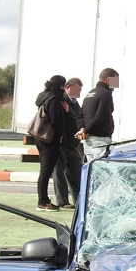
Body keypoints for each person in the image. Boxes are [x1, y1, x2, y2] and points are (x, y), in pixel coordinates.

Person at [33, 75, 67, 212]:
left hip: (40, 138)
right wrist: (61, 134)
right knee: (46, 171)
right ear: (60, 86)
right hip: (49, 140)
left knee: (44, 171)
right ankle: (43, 201)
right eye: (63, 86)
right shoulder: (54, 100)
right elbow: (55, 120)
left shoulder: (44, 96)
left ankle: (43, 200)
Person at [52, 77, 83, 209]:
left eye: (80, 90)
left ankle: (79, 201)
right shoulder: (61, 101)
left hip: (73, 142)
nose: (79, 93)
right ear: (67, 87)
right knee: (59, 172)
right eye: (76, 89)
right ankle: (62, 201)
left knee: (76, 172)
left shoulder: (74, 103)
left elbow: (79, 118)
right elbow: (63, 120)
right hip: (62, 141)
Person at [76, 68, 119, 161]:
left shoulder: (90, 93)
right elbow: (100, 116)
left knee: (92, 170)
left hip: (87, 140)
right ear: (108, 79)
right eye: (115, 81)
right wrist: (86, 131)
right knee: (103, 169)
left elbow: (80, 115)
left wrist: (83, 129)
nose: (116, 85)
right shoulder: (106, 94)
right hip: (100, 140)